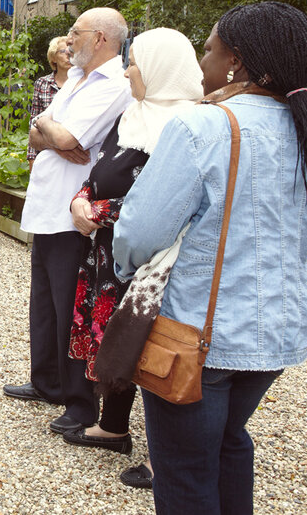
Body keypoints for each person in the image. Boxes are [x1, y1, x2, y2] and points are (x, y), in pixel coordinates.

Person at [113, 2, 307, 514]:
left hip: (197, 333)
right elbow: (306, 238)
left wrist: (130, 272)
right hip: (277, 334)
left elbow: (141, 229)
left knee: (186, 471)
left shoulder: (203, 127)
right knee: (229, 442)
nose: (202, 61)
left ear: (236, 60)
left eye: (210, 48)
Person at [60, 29, 203, 485]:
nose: (127, 71)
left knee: (154, 349)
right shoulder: (133, 114)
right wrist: (81, 198)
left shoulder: (187, 127)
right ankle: (113, 425)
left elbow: (166, 201)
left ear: (161, 68)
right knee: (116, 343)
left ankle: (170, 460)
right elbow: (103, 168)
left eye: (135, 64)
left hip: (153, 260)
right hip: (109, 247)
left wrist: (97, 212)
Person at [3, 7, 133, 435]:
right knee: (44, 301)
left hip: (73, 211)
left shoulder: (113, 84)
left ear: (99, 38)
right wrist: (47, 125)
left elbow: (69, 139)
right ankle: (48, 382)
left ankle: (79, 402)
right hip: (47, 204)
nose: (67, 40)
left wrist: (53, 133)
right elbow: (39, 134)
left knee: (70, 307)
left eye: (75, 33)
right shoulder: (76, 77)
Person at [27, 36, 72, 166]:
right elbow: (34, 120)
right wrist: (31, 158)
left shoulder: (81, 83)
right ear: (53, 57)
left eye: (70, 50)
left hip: (74, 153)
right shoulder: (42, 83)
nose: (68, 55)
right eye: (63, 51)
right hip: (46, 152)